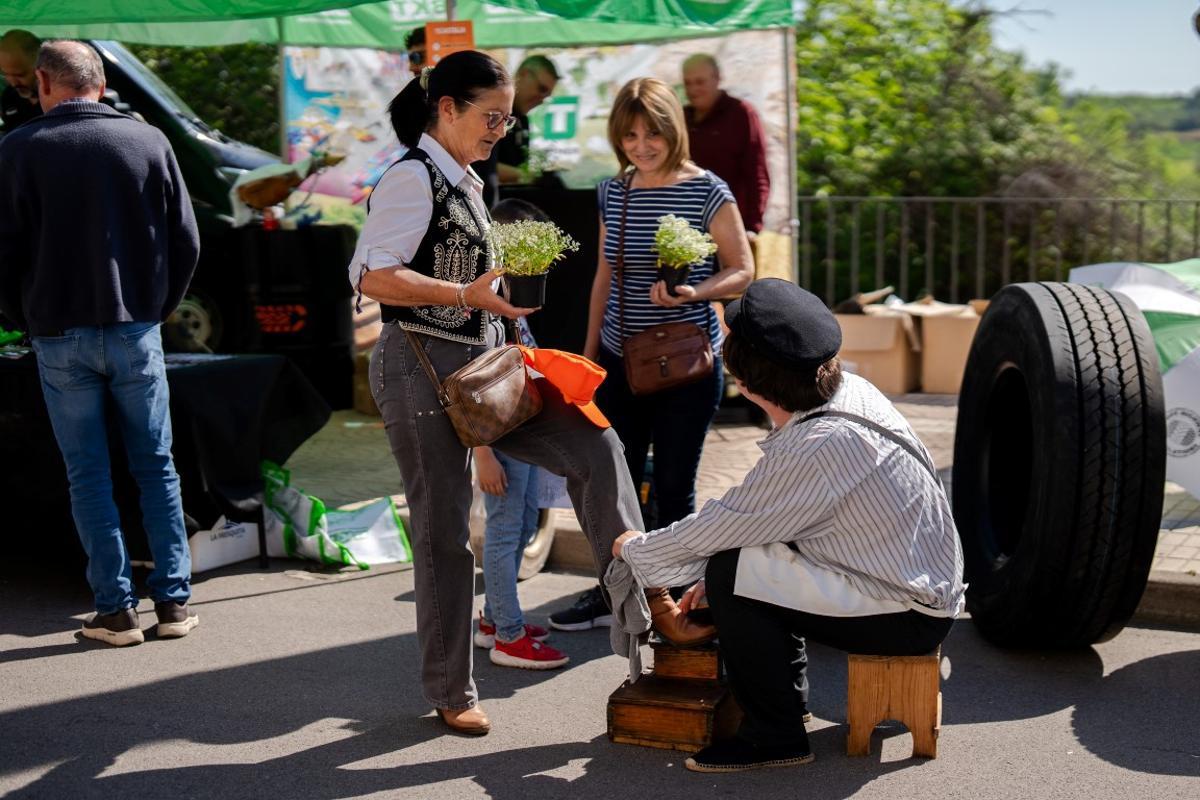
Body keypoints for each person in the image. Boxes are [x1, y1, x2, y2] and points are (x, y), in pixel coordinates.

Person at [350, 51, 705, 736]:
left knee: (597, 446)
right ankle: (451, 689)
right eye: (492, 117)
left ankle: (651, 600)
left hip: (486, 367)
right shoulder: (411, 176)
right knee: (443, 532)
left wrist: (499, 308)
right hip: (418, 367)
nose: (501, 130)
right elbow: (370, 276)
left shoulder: (466, 178)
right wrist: (464, 294)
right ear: (447, 108)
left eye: (506, 118)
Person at [610, 278, 966, 773]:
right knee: (742, 564)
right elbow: (766, 517)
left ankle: (774, 738)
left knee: (730, 573)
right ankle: (787, 705)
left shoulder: (819, 445)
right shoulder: (849, 390)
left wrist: (634, 549)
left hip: (906, 613)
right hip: (919, 582)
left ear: (746, 382)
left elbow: (726, 523)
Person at [0, 40, 201, 646]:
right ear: (102, 82)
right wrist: (157, 308)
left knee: (88, 473)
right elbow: (186, 240)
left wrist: (22, 315)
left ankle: (115, 611)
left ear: (43, 82)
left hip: (57, 333)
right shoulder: (149, 142)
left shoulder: (18, 149)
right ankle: (173, 602)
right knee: (156, 466)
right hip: (136, 326)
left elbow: (4, 253)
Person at [548, 76, 754, 632]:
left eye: (652, 134)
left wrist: (695, 292)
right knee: (614, 488)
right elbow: (604, 276)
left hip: (689, 366)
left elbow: (742, 270)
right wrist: (588, 358)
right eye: (630, 136)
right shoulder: (613, 191)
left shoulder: (707, 190)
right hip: (621, 361)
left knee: (673, 488)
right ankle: (614, 593)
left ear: (673, 131)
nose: (641, 146)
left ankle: (676, 602)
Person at [472, 198, 568, 671]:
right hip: (501, 435)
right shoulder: (483, 300)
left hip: (521, 428)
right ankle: (508, 636)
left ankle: (495, 620)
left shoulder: (512, 294)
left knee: (525, 522)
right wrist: (483, 453)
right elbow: (469, 382)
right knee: (506, 529)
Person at [682, 54, 770, 237]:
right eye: (687, 83)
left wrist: (752, 226)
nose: (693, 89)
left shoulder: (741, 113)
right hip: (688, 225)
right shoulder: (681, 117)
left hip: (732, 225)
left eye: (700, 82)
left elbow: (756, 171)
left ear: (717, 78)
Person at [494, 55, 559, 185]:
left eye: (547, 96)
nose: (542, 99)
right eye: (541, 89)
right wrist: (531, 177)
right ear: (524, 74)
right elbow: (479, 166)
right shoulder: (492, 111)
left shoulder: (522, 120)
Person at [0, 30, 42, 133]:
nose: (13, 83)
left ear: (40, 64)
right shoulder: (9, 96)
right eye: (5, 74)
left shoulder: (60, 97)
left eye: (20, 75)